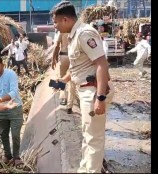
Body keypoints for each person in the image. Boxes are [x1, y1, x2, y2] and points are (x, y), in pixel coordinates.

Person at [51, 1, 115, 173]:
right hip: (84, 89)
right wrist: (61, 82)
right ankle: (84, 169)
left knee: (94, 139)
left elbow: (101, 64)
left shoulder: (84, 33)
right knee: (87, 135)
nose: (54, 26)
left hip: (93, 91)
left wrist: (100, 98)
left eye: (55, 22)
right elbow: (77, 67)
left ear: (65, 19)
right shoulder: (73, 35)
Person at [0, 55, 24, 165]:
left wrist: (0, 99)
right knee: (3, 134)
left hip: (15, 107)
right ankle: (7, 155)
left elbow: (14, 92)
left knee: (15, 134)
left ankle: (16, 157)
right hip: (1, 110)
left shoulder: (10, 74)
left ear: (2, 65)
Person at [51, 31, 76, 114]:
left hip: (63, 56)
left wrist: (53, 59)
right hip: (73, 57)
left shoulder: (61, 32)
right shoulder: (74, 31)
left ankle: (63, 99)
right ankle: (70, 105)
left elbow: (56, 46)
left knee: (62, 78)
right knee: (72, 80)